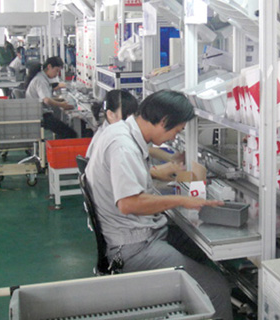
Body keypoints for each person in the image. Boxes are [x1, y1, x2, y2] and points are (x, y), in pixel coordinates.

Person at [85, 90, 232, 319]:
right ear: (163, 120)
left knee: (202, 252)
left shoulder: (121, 132)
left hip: (139, 233)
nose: (174, 137)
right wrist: (182, 200)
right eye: (176, 130)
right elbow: (129, 203)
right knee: (216, 290)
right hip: (133, 247)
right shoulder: (123, 146)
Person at [87, 89, 185, 181]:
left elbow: (146, 149)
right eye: (126, 115)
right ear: (111, 115)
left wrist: (170, 157)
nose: (132, 120)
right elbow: (126, 172)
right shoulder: (119, 142)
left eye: (134, 114)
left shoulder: (112, 131)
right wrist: (156, 171)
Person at [25, 56, 77, 139]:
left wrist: (61, 100)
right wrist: (62, 105)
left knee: (63, 127)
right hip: (40, 115)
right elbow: (47, 100)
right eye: (56, 71)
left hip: (39, 112)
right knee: (70, 133)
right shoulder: (40, 80)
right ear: (49, 66)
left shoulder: (41, 77)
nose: (56, 74)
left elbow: (45, 98)